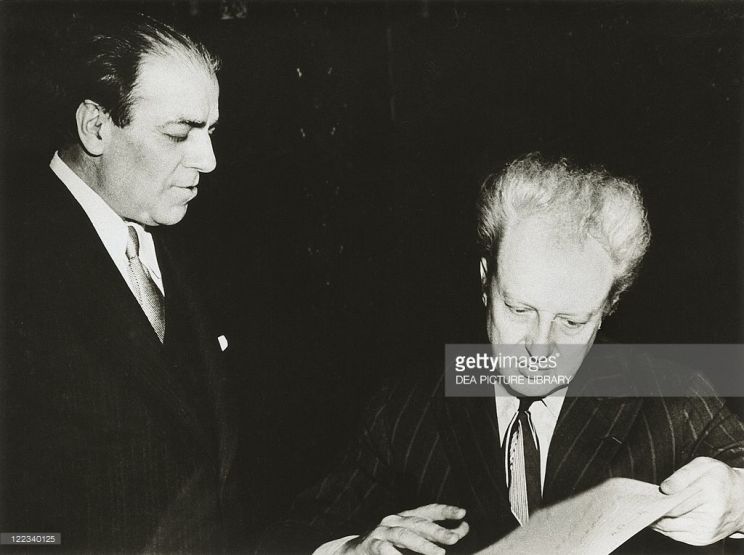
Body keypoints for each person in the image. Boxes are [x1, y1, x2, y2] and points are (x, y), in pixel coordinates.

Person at [258, 155, 744, 554]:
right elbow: (287, 536)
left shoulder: (671, 397)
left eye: (572, 322)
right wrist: (351, 550)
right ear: (485, 282)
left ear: (608, 308)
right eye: (519, 309)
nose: (539, 345)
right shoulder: (407, 405)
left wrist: (737, 499)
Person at [1, 12, 238, 553]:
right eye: (178, 133)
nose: (208, 160)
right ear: (96, 127)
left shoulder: (196, 240)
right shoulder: (17, 264)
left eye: (210, 131)